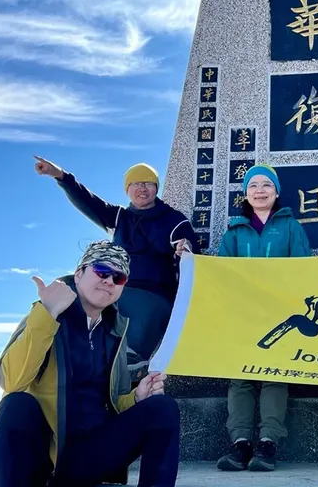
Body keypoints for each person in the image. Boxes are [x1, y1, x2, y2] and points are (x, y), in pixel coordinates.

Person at [0, 241, 202, 487]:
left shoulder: (116, 329)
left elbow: (110, 403)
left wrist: (136, 397)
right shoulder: (47, 314)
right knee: (15, 405)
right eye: (101, 271)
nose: (109, 281)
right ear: (79, 273)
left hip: (90, 455)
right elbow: (12, 380)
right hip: (43, 459)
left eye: (119, 277)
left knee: (161, 407)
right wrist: (46, 314)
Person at [33, 156, 198, 365]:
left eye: (148, 183)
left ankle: (129, 360)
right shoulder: (119, 217)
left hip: (154, 293)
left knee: (137, 315)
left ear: (156, 188)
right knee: (67, 285)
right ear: (127, 189)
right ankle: (52, 348)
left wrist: (185, 249)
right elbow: (88, 201)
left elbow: (190, 250)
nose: (142, 188)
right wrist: (60, 176)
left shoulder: (174, 220)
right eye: (136, 183)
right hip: (116, 285)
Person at [216, 165, 311, 473]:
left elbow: (303, 272)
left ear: (277, 192)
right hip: (242, 316)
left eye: (266, 185)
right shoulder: (234, 232)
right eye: (253, 185)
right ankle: (240, 442)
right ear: (245, 193)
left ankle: (268, 442)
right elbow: (221, 276)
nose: (259, 190)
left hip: (280, 316)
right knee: (240, 378)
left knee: (274, 375)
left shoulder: (291, 228)